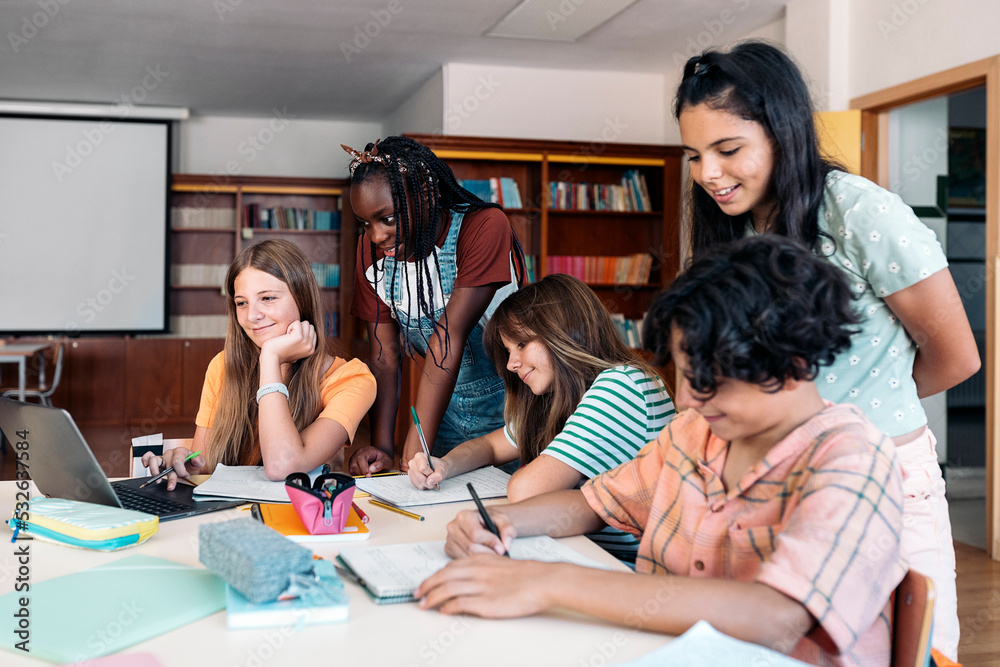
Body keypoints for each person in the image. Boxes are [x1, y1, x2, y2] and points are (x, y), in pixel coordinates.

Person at [417, 236, 907, 667]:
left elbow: (776, 614)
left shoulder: (852, 459)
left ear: (793, 358)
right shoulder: (695, 434)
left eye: (708, 377)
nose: (688, 398)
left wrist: (547, 582)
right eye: (685, 374)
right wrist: (502, 523)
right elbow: (589, 504)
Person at [672, 40, 978, 660]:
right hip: (772, 476)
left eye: (728, 150)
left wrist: (845, 414)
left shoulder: (860, 211)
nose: (708, 174)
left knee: (914, 650)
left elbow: (956, 357)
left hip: (885, 475)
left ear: (783, 132)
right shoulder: (733, 225)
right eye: (695, 155)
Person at [407, 273, 676, 562]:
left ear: (567, 330)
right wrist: (444, 465)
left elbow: (525, 491)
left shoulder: (622, 384)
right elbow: (490, 446)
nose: (511, 364)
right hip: (583, 550)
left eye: (522, 344)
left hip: (629, 567)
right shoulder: (559, 395)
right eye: (509, 350)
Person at [343, 136, 526, 476]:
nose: (375, 236)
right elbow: (384, 356)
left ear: (425, 195)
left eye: (387, 218)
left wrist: (417, 443)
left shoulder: (482, 227)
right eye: (366, 223)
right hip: (442, 414)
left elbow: (448, 337)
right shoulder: (370, 253)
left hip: (511, 419)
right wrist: (384, 446)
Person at [142, 239, 377, 488]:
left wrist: (270, 358)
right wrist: (182, 461)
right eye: (242, 303)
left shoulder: (351, 378)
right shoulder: (222, 366)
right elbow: (205, 463)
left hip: (298, 521)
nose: (252, 316)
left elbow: (282, 465)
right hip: (231, 515)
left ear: (302, 299)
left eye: (267, 298)